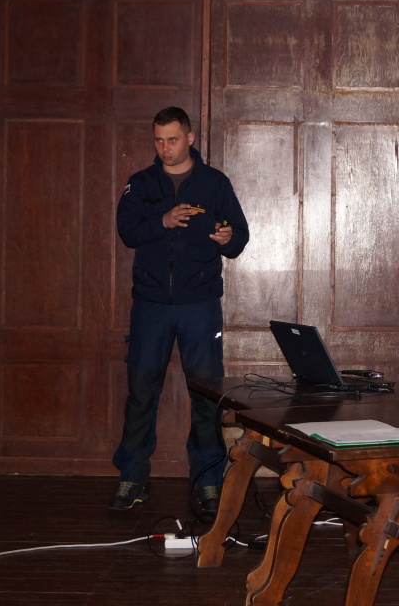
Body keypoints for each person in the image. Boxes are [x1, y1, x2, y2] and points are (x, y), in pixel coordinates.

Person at [109, 106, 249, 512]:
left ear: (189, 138)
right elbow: (127, 231)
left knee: (206, 396)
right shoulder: (141, 183)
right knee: (141, 393)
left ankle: (208, 482)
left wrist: (227, 237)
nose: (165, 148)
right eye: (158, 140)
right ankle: (132, 478)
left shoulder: (214, 184)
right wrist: (163, 220)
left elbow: (239, 236)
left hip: (199, 306)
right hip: (150, 306)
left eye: (172, 139)